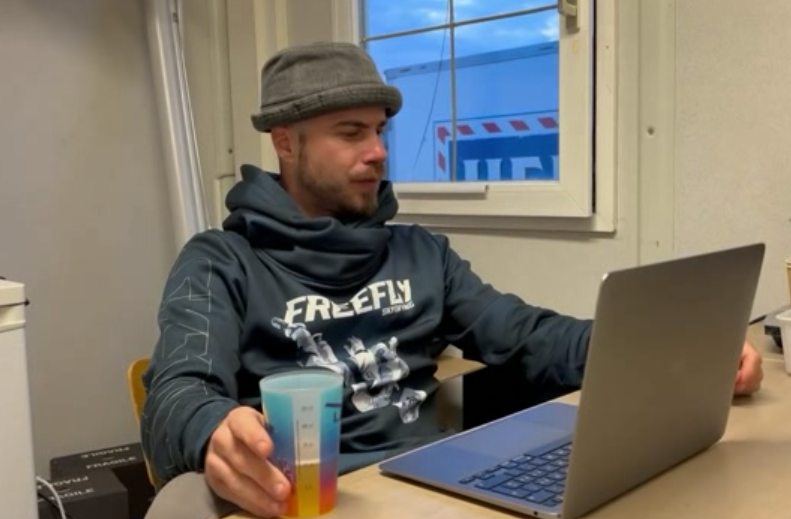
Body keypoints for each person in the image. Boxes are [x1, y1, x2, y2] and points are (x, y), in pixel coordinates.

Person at [140, 41, 763, 519]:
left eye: (379, 130)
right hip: (308, 501)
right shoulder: (221, 261)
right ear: (285, 143)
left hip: (428, 492)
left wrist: (671, 350)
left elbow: (526, 335)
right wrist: (211, 429)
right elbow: (176, 391)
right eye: (351, 133)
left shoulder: (420, 252)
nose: (379, 151)